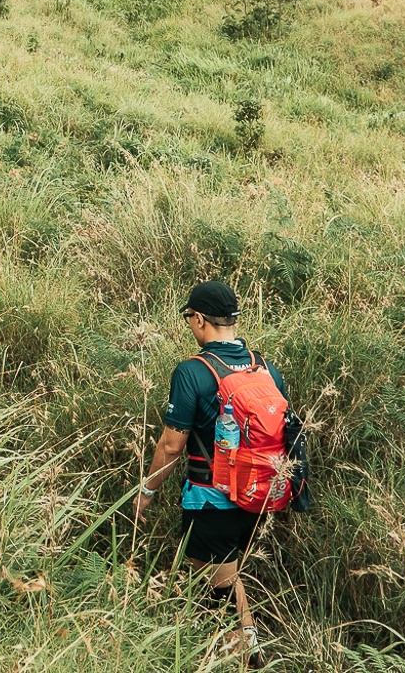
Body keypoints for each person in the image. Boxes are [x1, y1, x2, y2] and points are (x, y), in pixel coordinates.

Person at [134, 282, 291, 662]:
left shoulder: (193, 372)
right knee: (214, 571)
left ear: (200, 319)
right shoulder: (265, 367)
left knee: (220, 588)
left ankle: (248, 655)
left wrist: (148, 491)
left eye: (189, 318)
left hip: (212, 497)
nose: (190, 324)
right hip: (260, 494)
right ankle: (226, 644)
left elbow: (172, 444)